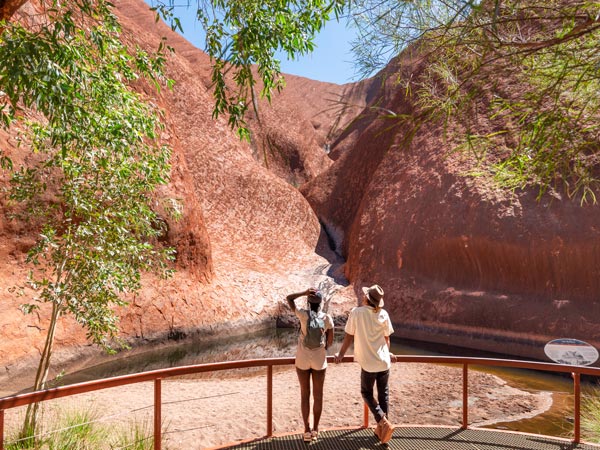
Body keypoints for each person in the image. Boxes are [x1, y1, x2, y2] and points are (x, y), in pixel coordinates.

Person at [334, 284, 396, 444]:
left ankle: (383, 421)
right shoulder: (383, 314)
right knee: (383, 395)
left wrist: (341, 354)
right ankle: (383, 431)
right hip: (384, 362)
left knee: (366, 393)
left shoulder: (357, 313)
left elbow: (348, 336)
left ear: (367, 299)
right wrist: (388, 353)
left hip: (369, 363)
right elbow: (387, 338)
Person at [286, 287, 334, 442]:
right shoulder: (326, 318)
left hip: (302, 359)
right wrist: (323, 347)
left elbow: (289, 298)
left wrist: (303, 293)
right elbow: (330, 341)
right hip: (319, 360)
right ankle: (316, 430)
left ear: (308, 302)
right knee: (318, 396)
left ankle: (306, 430)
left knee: (305, 394)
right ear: (320, 303)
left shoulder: (303, 315)